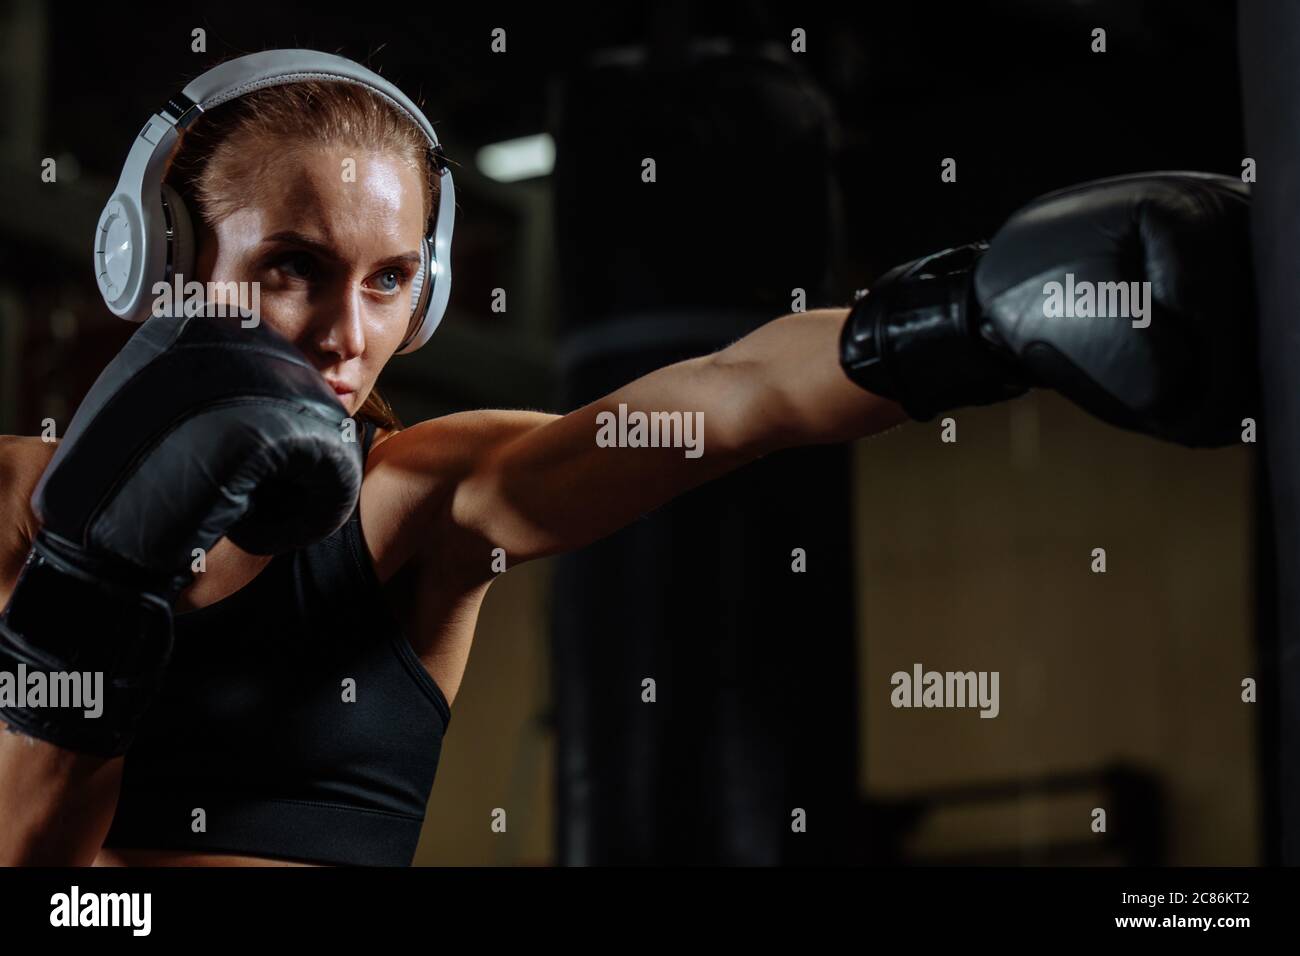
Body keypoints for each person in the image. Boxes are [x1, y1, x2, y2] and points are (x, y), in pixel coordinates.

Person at [0, 50, 1254, 866]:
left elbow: (728, 396)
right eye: (293, 268)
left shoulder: (422, 503)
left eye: (389, 281)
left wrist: (965, 320)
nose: (346, 334)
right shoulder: (10, 504)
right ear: (154, 257)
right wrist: (90, 580)